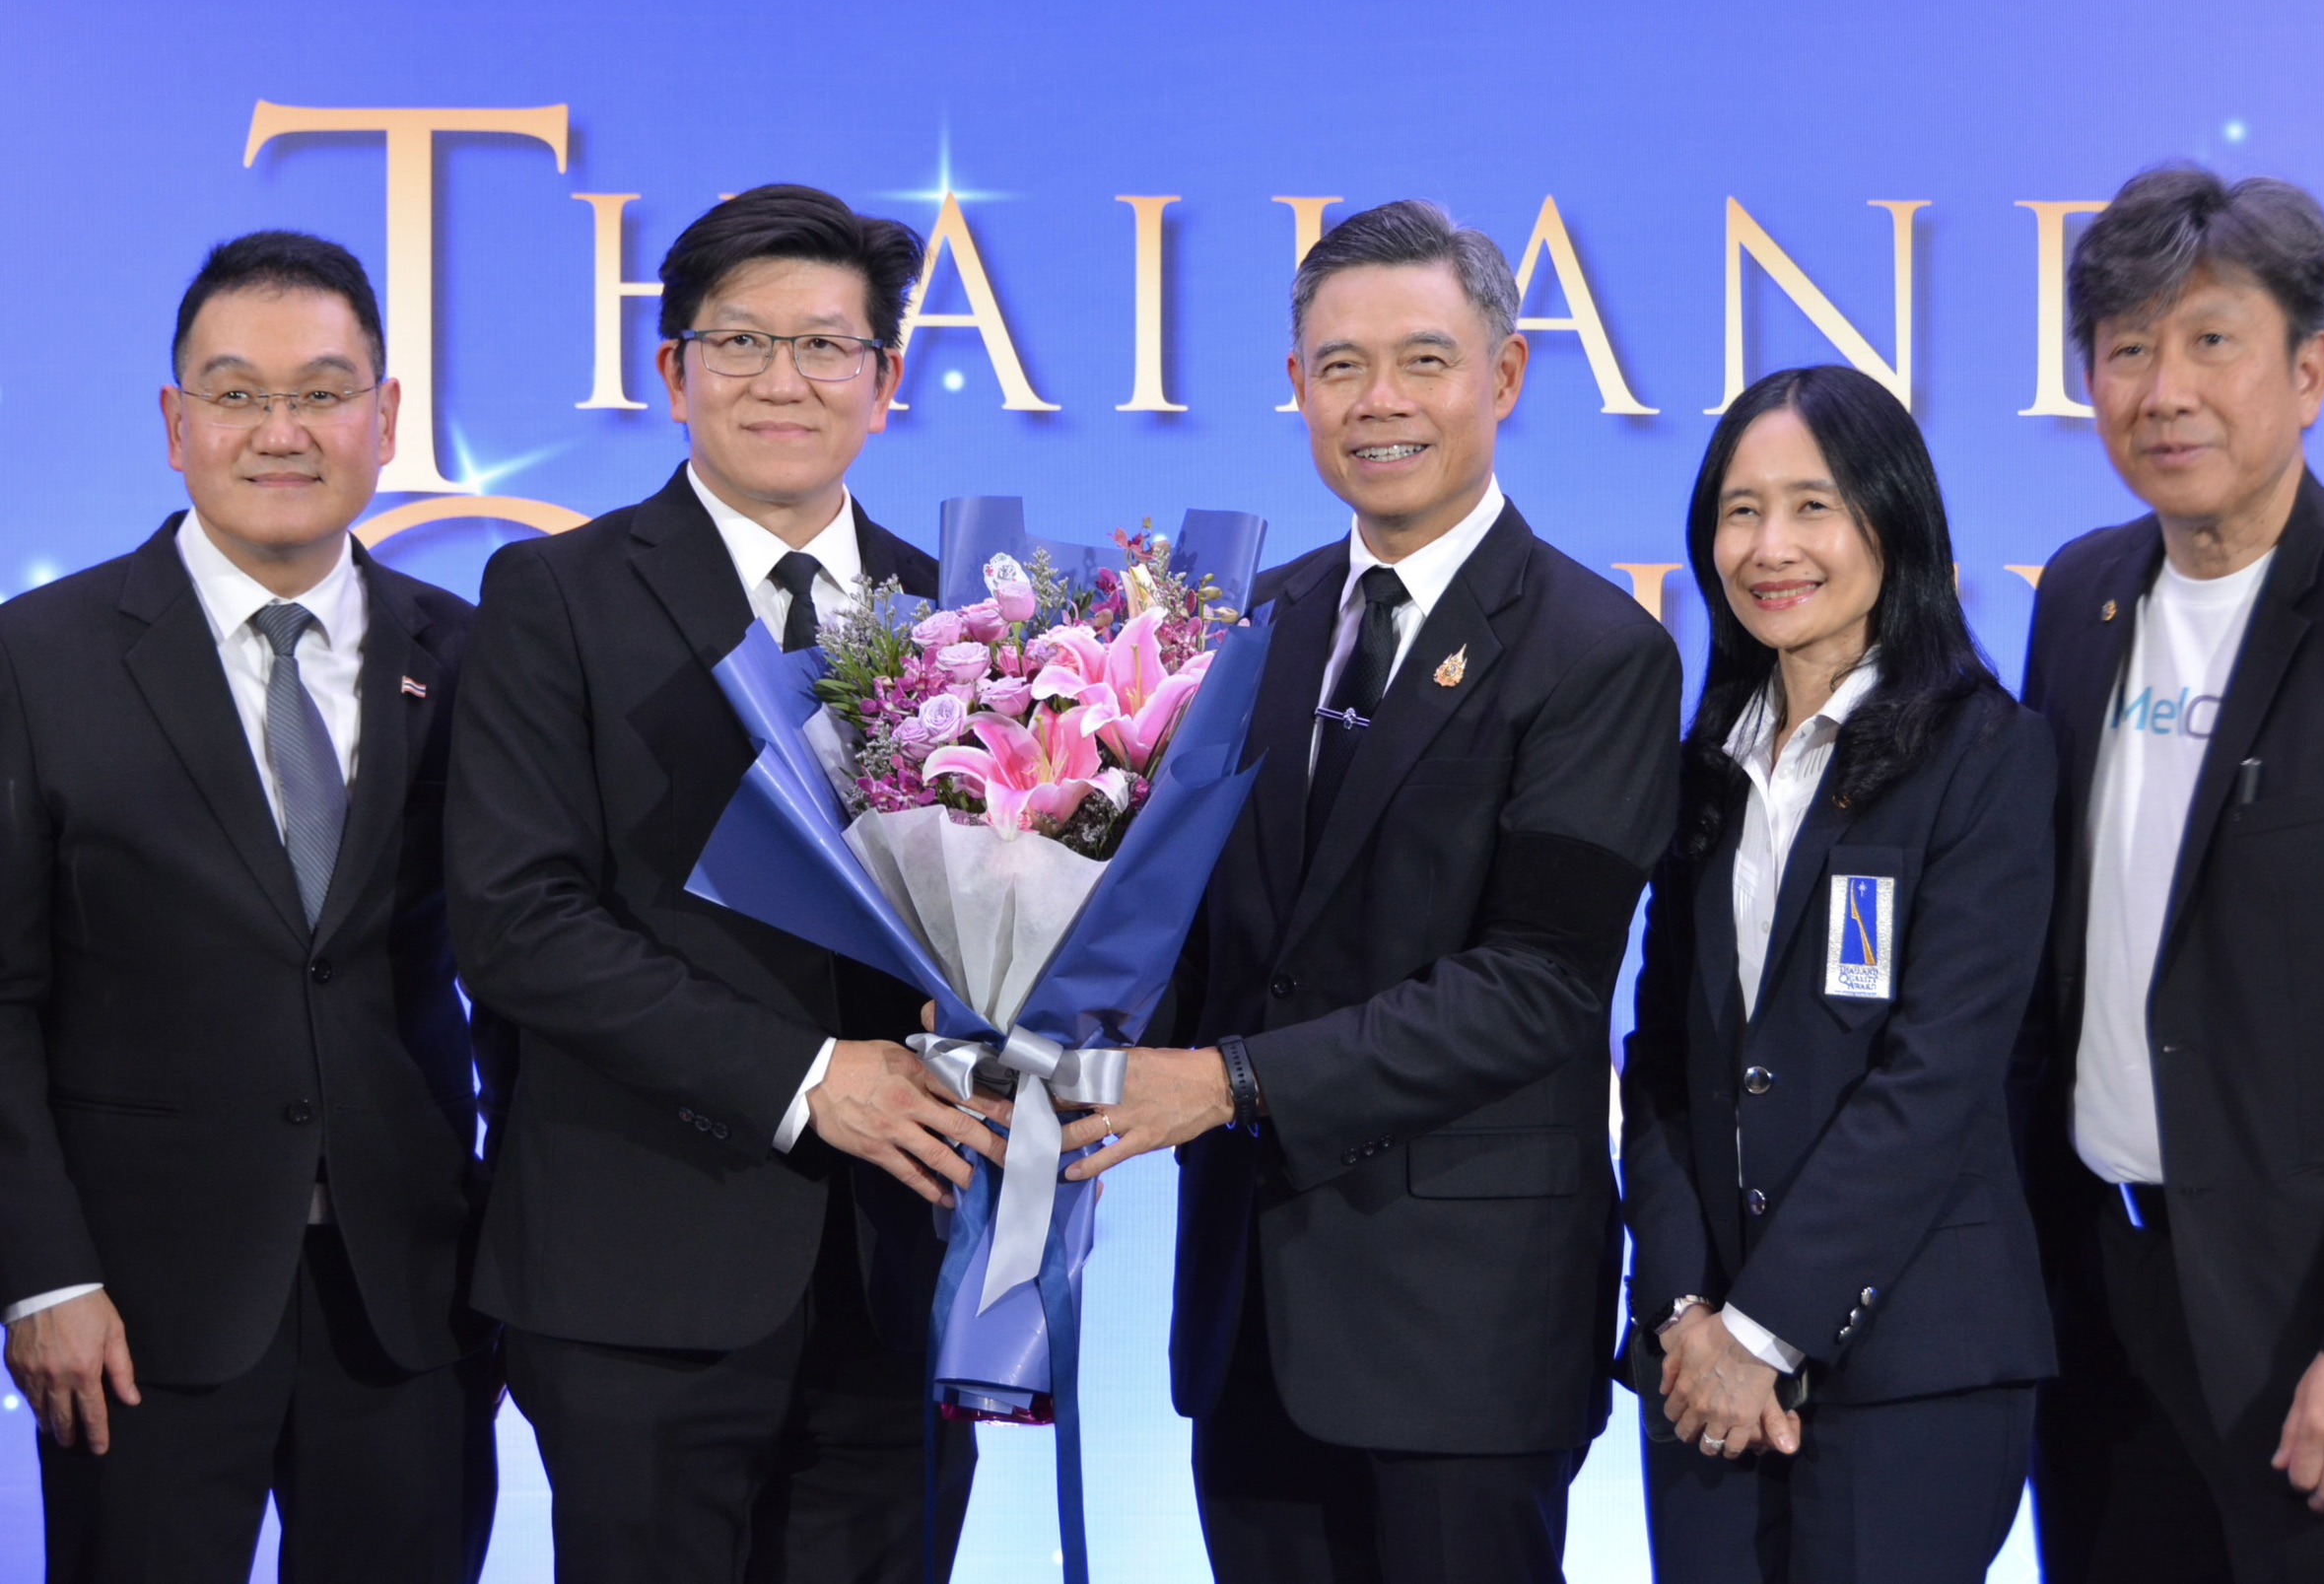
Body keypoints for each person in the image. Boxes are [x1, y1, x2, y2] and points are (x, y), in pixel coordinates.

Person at [1055, 199, 1680, 1584]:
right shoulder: (1247, 626)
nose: (1377, 401)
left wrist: (1229, 1083)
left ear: (1503, 376)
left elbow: (1537, 984)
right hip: (1249, 1316)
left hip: (1462, 1332)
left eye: (1422, 361)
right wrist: (1034, 1013)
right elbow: (1200, 937)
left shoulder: (1596, 651)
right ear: (1296, 387)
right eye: (1340, 366)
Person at [444, 185, 1001, 1583]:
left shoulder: (966, 614)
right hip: (643, 1269)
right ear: (673, 369)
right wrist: (807, 1075)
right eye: (741, 342)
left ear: (885, 382)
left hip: (902, 1269)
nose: (782, 380)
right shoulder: (553, 598)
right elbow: (518, 921)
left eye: (825, 347)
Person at [0, 232, 501, 1581]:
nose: (282, 431)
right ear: (177, 425)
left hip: (413, 1298)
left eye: (323, 392)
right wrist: (42, 1275)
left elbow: (526, 965)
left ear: (384, 419)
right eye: (237, 394)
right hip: (132, 1309)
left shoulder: (473, 653)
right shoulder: (33, 661)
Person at [2021, 166, 2324, 1584]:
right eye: (2126, 350)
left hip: (2314, 1337)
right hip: (2100, 1306)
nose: (2164, 392)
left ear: (2310, 371)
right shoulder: (2078, 598)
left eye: (2211, 341)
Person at [1619, 365, 2057, 1583]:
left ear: (1890, 520)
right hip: (1698, 1374)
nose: (1769, 548)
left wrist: (1762, 1333)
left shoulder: (1985, 755)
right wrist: (1682, 1312)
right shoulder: (1705, 765)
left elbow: (1935, 1078)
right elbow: (1657, 1061)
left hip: (1912, 1365)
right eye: (1739, 510)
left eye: (1811, 506)